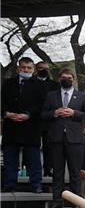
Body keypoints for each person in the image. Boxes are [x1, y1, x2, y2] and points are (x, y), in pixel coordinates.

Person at [41, 68, 85, 208]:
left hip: (75, 139)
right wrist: (55, 113)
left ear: (74, 79)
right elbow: (43, 114)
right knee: (57, 172)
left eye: (69, 78)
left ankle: (75, 203)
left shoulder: (82, 97)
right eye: (64, 77)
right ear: (59, 79)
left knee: (75, 173)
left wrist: (74, 113)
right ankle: (57, 202)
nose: (67, 80)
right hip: (56, 138)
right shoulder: (51, 96)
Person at [1, 57, 47, 193]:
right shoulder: (8, 83)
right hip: (11, 126)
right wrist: (7, 113)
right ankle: (9, 184)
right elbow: (2, 101)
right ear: (18, 68)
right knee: (10, 158)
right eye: (23, 68)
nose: (26, 70)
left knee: (33, 159)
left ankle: (36, 184)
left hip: (31, 127)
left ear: (33, 70)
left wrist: (29, 114)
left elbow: (42, 105)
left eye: (29, 68)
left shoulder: (40, 85)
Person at [35, 61, 59, 178]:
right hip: (32, 120)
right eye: (40, 68)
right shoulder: (30, 82)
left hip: (49, 121)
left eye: (46, 69)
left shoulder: (55, 85)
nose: (44, 70)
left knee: (48, 147)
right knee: (31, 147)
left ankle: (48, 170)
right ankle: (30, 170)